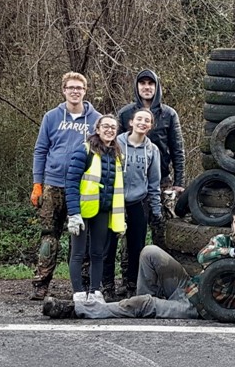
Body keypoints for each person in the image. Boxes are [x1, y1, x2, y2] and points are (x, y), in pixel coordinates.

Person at [42, 205, 235, 321]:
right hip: (188, 288)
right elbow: (204, 256)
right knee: (150, 251)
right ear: (232, 226)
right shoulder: (223, 240)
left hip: (202, 308)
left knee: (144, 303)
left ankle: (79, 310)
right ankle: (142, 307)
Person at [29, 72, 101, 300]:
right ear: (64, 90)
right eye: (71, 87)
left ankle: (81, 285)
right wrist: (37, 183)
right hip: (53, 185)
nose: (75, 91)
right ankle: (41, 284)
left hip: (82, 187)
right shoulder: (51, 117)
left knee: (81, 237)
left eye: (79, 88)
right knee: (49, 236)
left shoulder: (95, 119)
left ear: (85, 91)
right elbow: (40, 150)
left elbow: (102, 151)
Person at [116, 69, 185, 278]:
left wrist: (179, 182)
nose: (147, 87)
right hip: (130, 182)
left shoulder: (169, 114)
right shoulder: (125, 113)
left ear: (157, 87)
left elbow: (177, 149)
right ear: (137, 87)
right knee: (130, 235)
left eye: (151, 83)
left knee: (161, 231)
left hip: (162, 181)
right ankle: (129, 279)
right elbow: (116, 148)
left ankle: (161, 278)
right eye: (142, 83)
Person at [65, 114, 125, 303]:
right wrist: (73, 213)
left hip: (103, 211)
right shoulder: (85, 151)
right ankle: (78, 292)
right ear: (97, 129)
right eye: (105, 126)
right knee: (78, 252)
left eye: (113, 128)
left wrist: (120, 219)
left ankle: (95, 291)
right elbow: (71, 182)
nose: (109, 130)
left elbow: (118, 187)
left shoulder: (117, 155)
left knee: (98, 253)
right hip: (82, 210)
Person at [102, 108, 162, 300]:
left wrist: (156, 209)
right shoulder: (116, 143)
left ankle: (131, 285)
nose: (142, 123)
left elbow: (154, 182)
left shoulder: (152, 150)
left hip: (138, 202)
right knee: (108, 245)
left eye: (147, 120)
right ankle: (107, 285)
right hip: (115, 202)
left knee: (137, 247)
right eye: (139, 119)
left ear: (150, 126)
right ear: (131, 122)